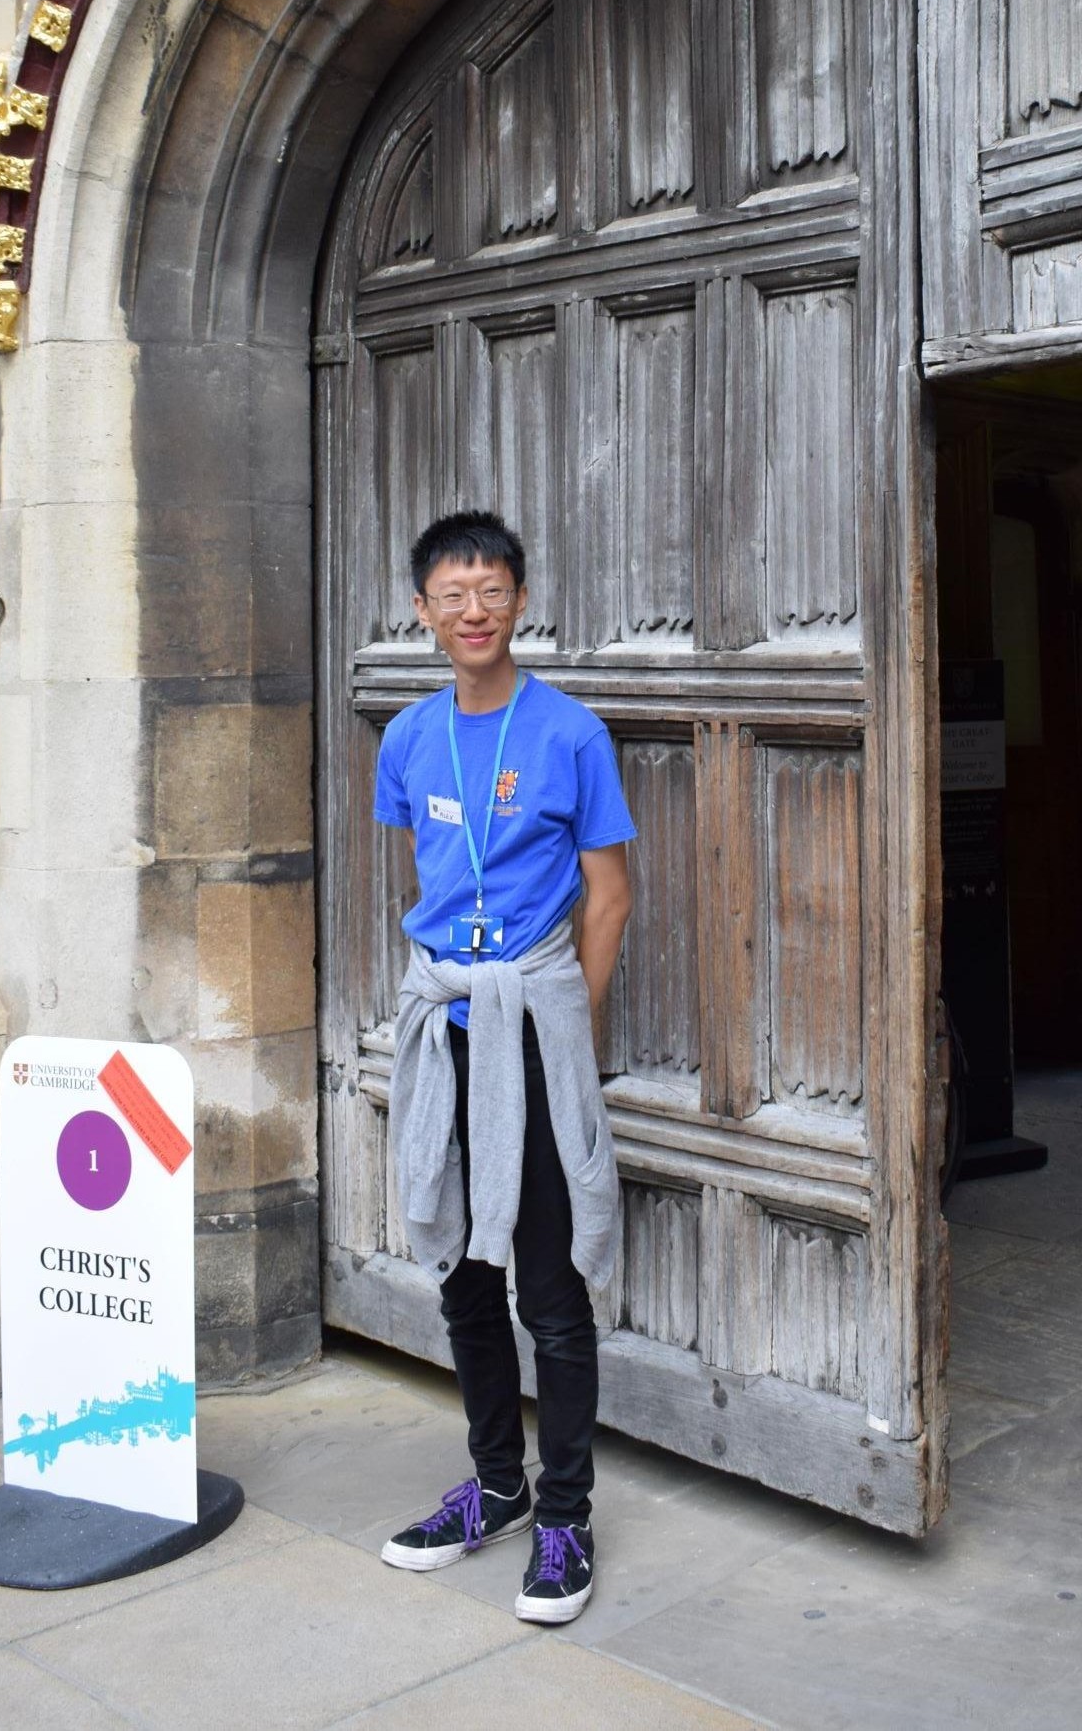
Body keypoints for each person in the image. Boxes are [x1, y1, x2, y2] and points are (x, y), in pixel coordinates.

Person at [372, 511, 635, 1625]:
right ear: (423, 611)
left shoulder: (570, 734)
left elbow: (610, 893)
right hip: (446, 1028)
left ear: (521, 600)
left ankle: (566, 1514)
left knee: (551, 1286)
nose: (472, 611)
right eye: (451, 593)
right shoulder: (409, 738)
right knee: (463, 1281)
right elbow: (424, 875)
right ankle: (495, 1488)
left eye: (491, 590)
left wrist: (567, 1028)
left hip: (532, 1028)